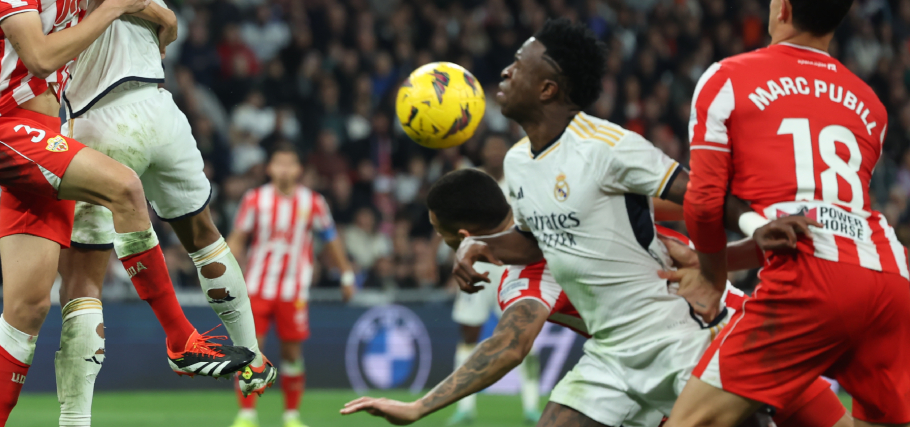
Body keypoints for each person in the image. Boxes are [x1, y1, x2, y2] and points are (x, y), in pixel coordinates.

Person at [45, 0, 343, 422]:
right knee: (203, 232)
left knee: (83, 272)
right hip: (161, 111)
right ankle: (253, 358)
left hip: (96, 118)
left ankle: (74, 420)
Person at [0, 0, 253, 427]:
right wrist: (117, 2)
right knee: (125, 187)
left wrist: (163, 19)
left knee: (25, 312)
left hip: (47, 141)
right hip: (6, 131)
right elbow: (43, 57)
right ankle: (180, 338)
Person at [341, 167, 850, 427]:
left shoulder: (525, 273)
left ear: (461, 230)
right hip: (630, 356)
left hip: (713, 334)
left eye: (438, 230)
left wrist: (420, 406)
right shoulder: (557, 202)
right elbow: (674, 203)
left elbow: (510, 346)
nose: (438, 240)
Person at [432, 17, 717, 425]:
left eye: (517, 62)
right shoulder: (522, 165)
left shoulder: (605, 150)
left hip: (693, 324)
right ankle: (479, 410)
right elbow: (531, 241)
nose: (505, 71)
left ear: (548, 89)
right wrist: (487, 247)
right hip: (616, 355)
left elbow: (702, 202)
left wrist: (717, 266)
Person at [669, 0, 910, 427]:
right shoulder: (871, 104)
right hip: (889, 280)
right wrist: (725, 259)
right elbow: (817, 224)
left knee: (689, 423)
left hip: (808, 286)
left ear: (781, 8)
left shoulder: (727, 78)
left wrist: (712, 274)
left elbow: (703, 200)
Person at [227, 143, 355, 427]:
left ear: (299, 170)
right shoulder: (254, 199)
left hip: (293, 289)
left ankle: (291, 415)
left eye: (290, 163)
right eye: (279, 163)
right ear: (270, 168)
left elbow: (332, 239)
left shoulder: (313, 202)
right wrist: (223, 271)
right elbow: (237, 238)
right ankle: (247, 415)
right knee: (251, 349)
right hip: (257, 286)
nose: (284, 169)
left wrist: (346, 274)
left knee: (291, 353)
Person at [445, 132, 540, 426]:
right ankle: (465, 408)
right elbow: (455, 228)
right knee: (469, 335)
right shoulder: (471, 184)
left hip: (512, 268)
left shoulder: (519, 180)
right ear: (483, 153)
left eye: (500, 148)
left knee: (525, 334)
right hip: (477, 267)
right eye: (491, 147)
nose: (496, 152)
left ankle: (531, 407)